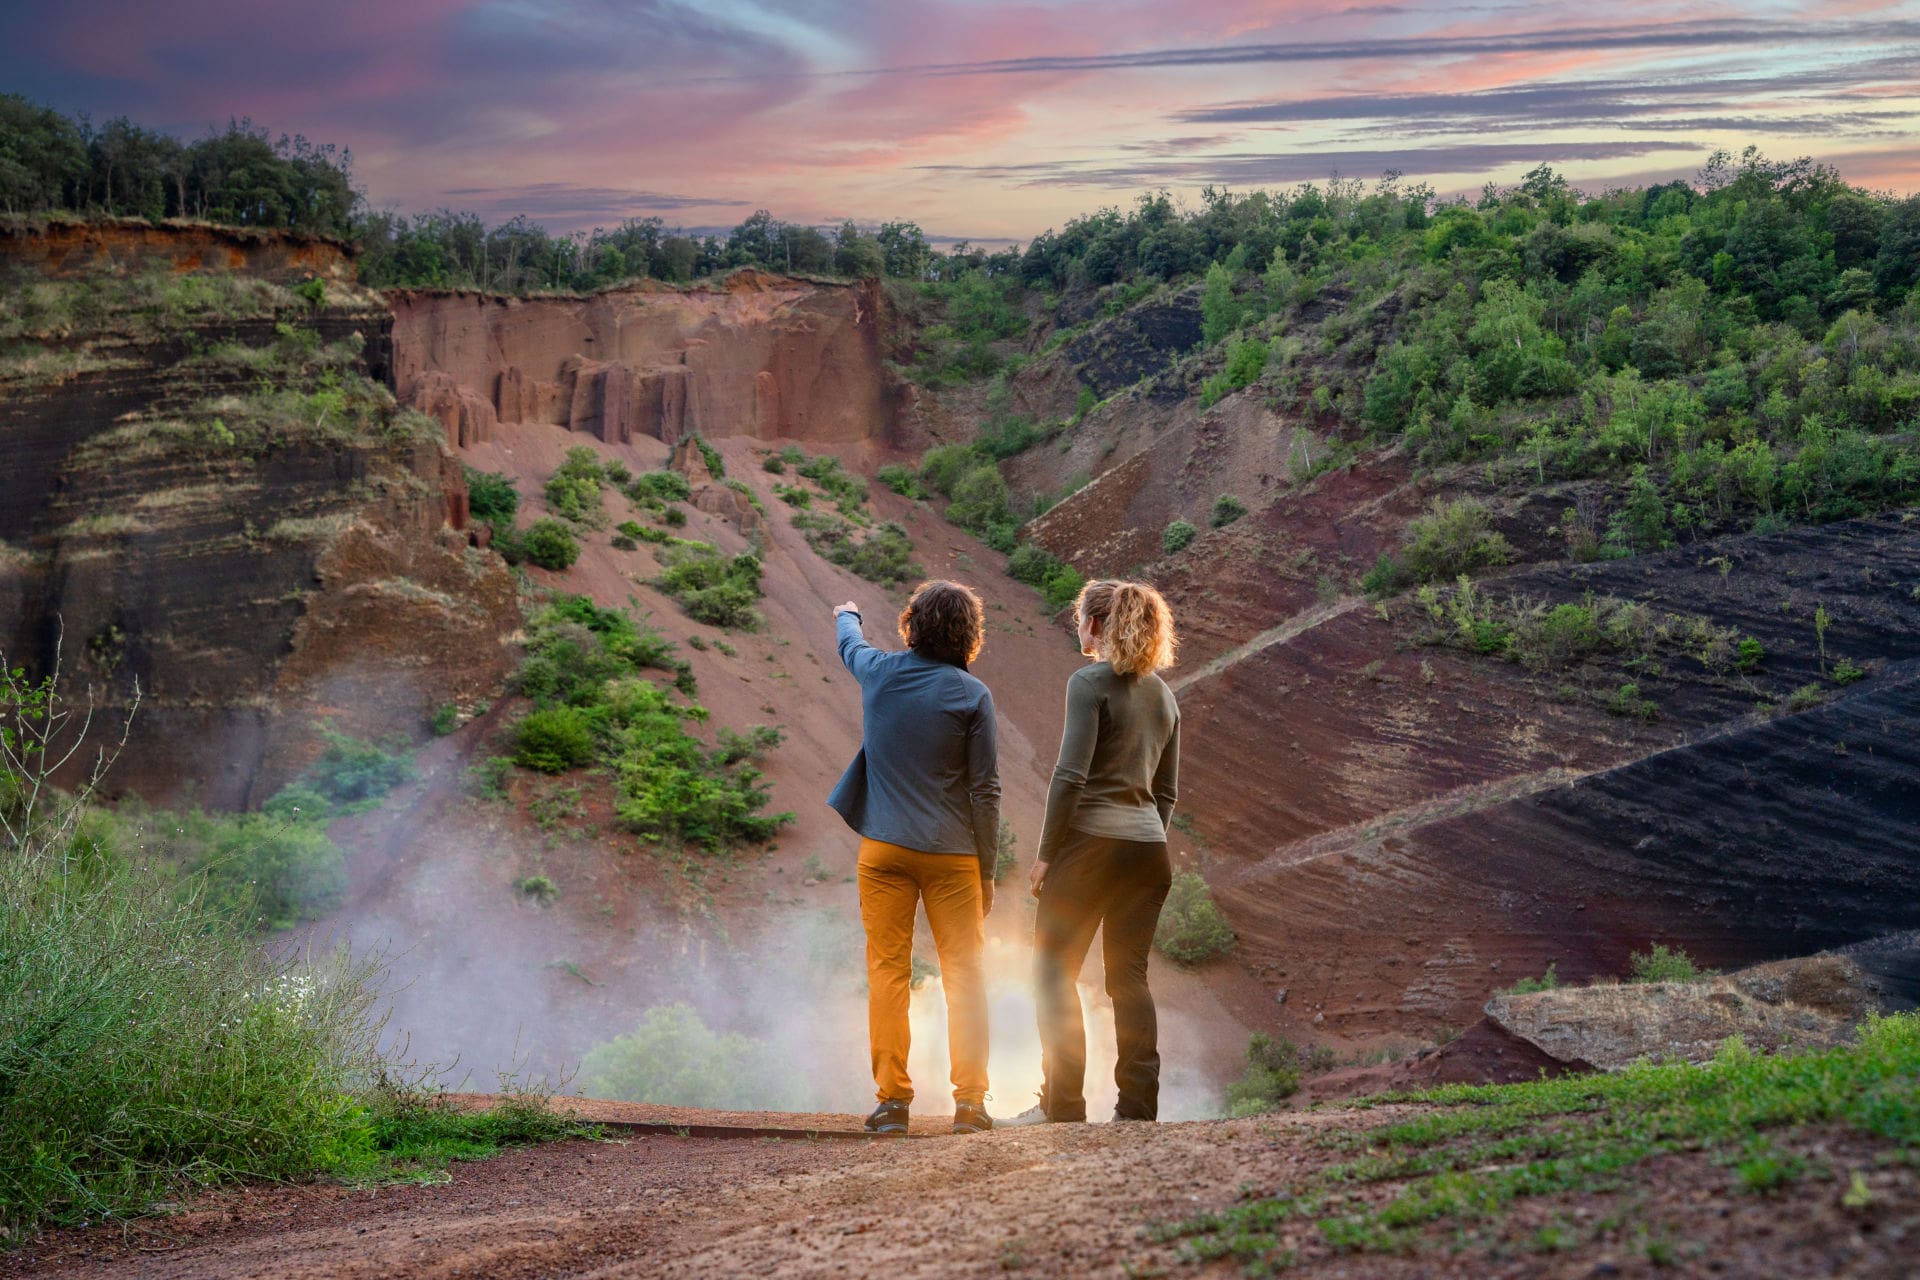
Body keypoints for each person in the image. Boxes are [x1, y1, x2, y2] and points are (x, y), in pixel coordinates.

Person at [1004, 579, 1180, 1126]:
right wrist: (1144, 834)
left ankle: (1062, 1109)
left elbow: (1068, 777)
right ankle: (1137, 1111)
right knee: (1128, 979)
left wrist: (1045, 855)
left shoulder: (1088, 683)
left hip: (1088, 849)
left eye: (1081, 618)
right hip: (1149, 851)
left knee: (1054, 974)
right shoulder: (1165, 696)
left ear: (1098, 625)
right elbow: (1167, 792)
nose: (1078, 628)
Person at [829, 582, 1000, 1136]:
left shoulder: (878, 672)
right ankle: (970, 1104)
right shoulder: (972, 696)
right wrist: (988, 870)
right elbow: (986, 792)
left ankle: (893, 1104)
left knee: (887, 973)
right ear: (968, 633)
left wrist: (847, 613)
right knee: (966, 977)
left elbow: (849, 644)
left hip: (884, 853)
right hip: (953, 857)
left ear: (912, 624)